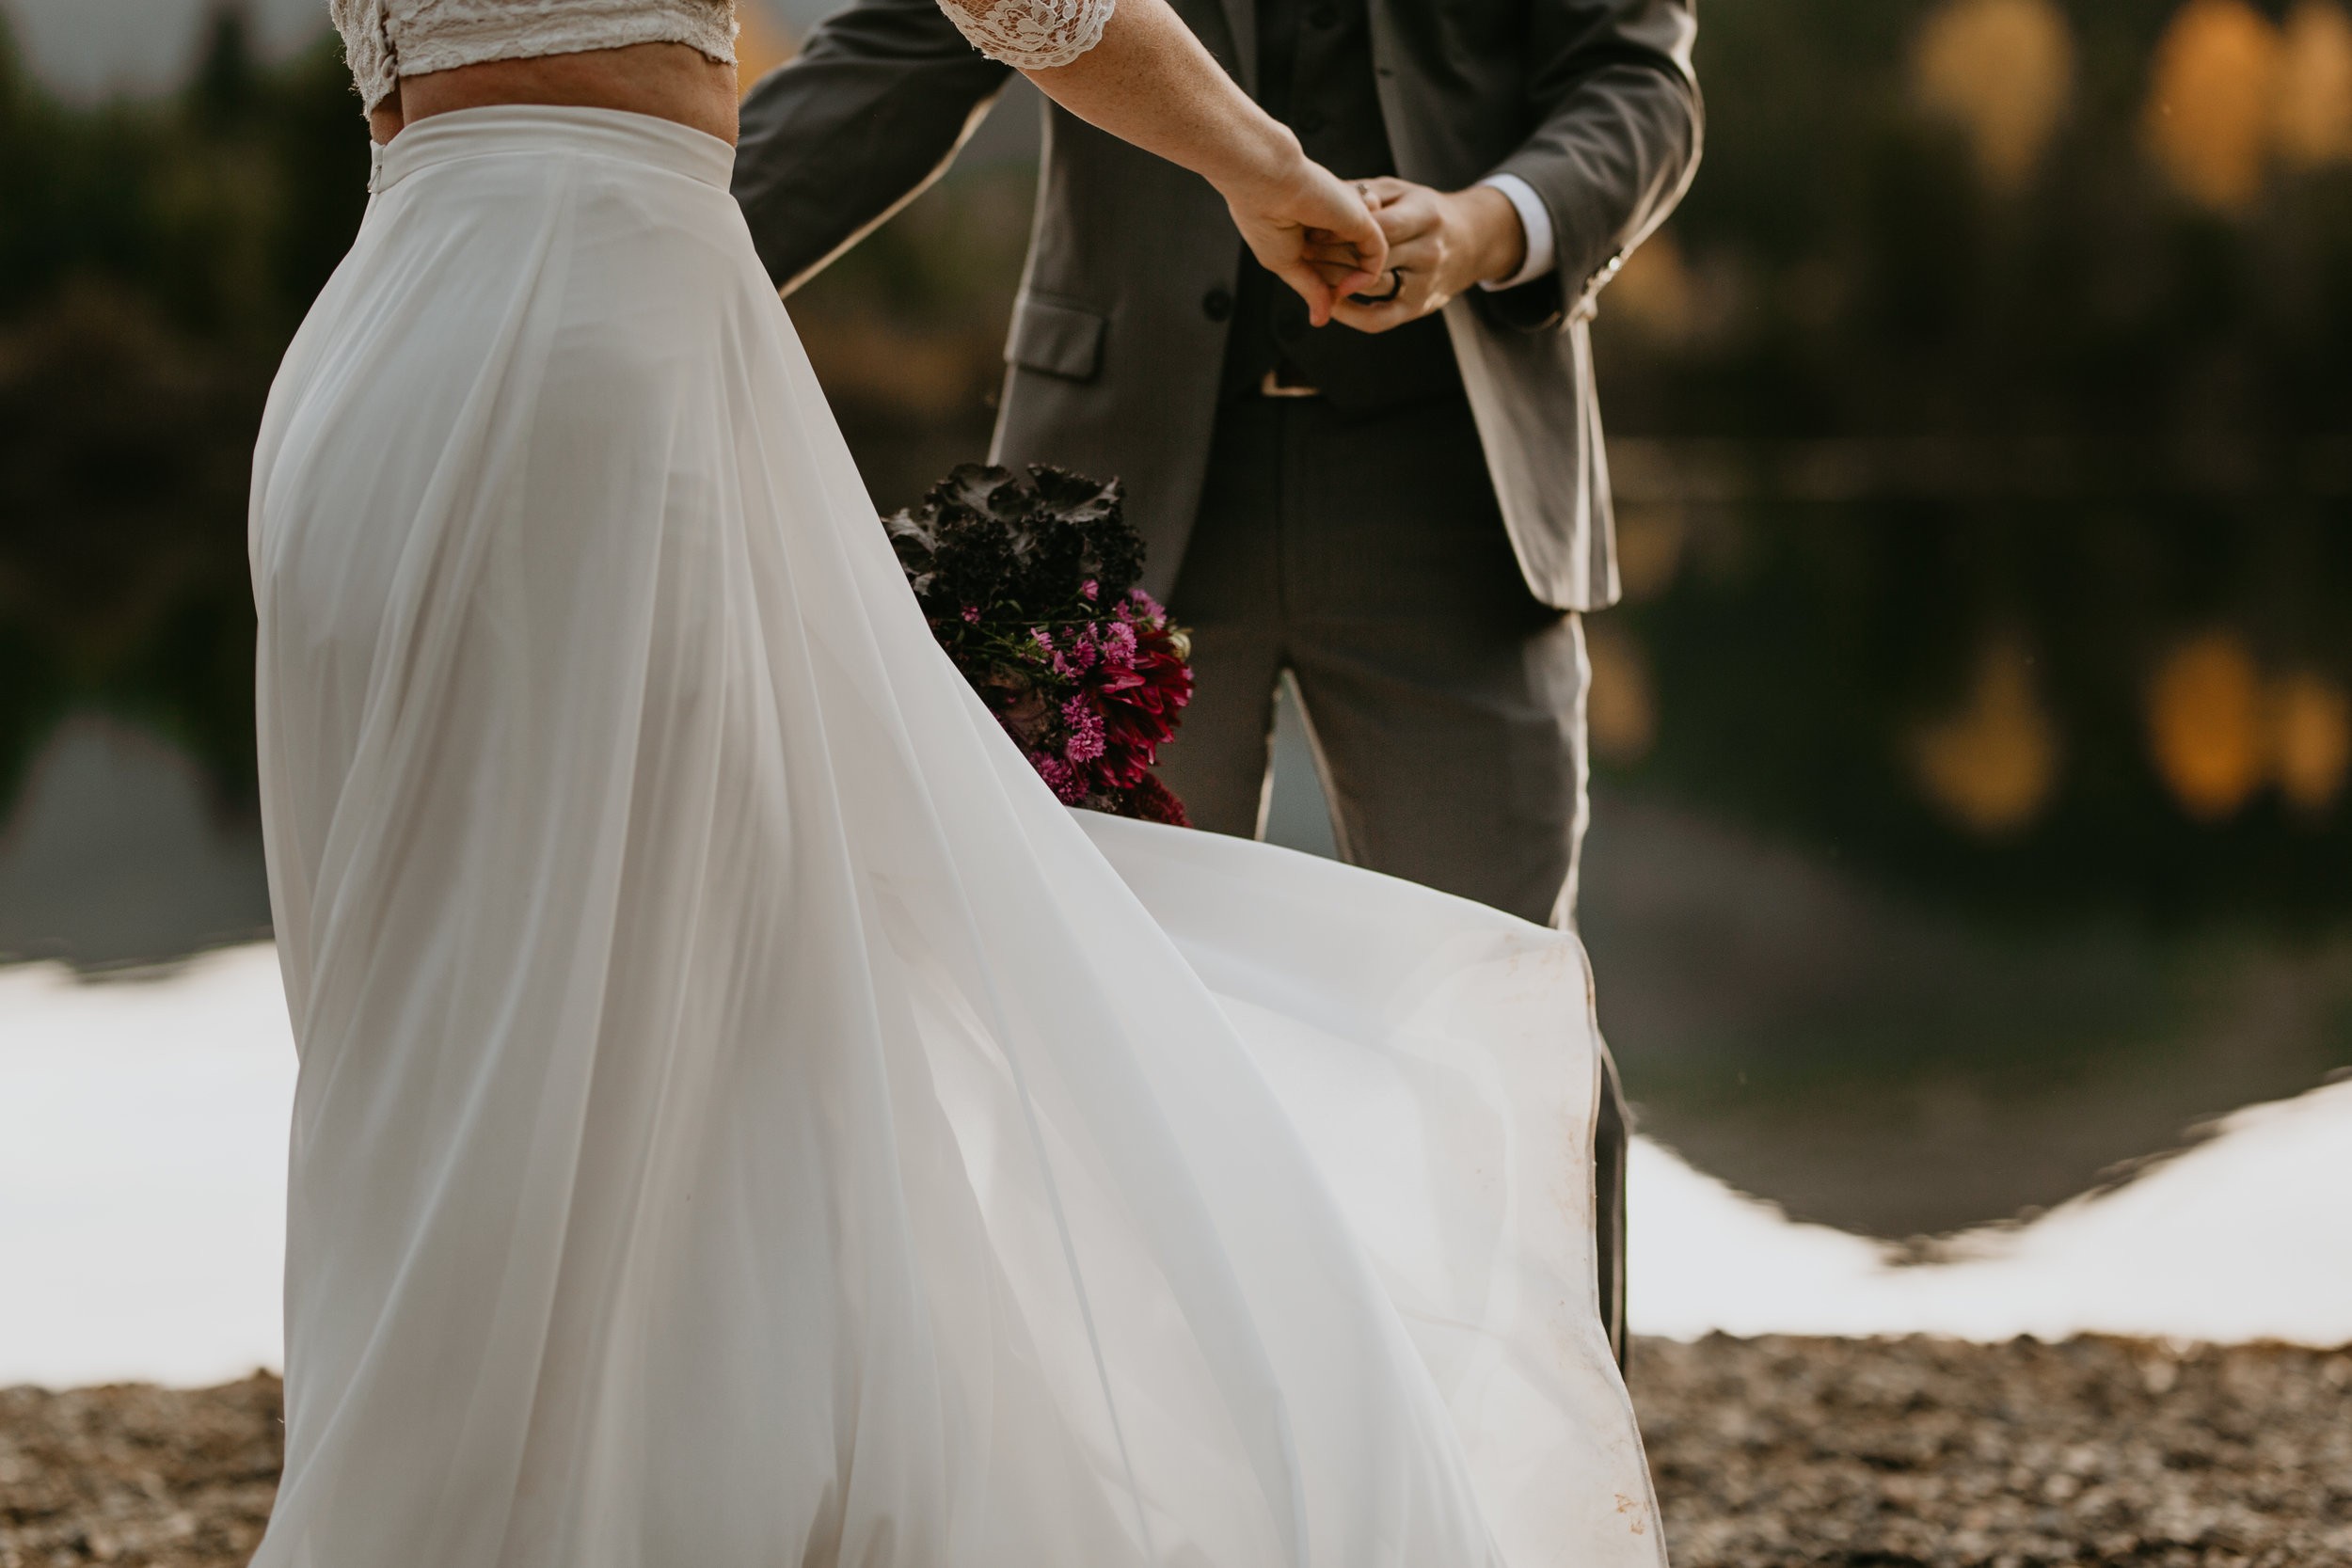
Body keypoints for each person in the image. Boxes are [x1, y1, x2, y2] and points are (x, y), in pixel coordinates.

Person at [246, 2, 1661, 1562]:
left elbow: (1633, 89)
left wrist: (1473, 226)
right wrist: (1265, 168)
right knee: (959, 1001)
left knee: (467, 998)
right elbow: (963, 26)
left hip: (400, 323)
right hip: (806, 397)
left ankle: (447, 1494)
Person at [731, 0, 1698, 1369]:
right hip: (1112, 493)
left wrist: (1486, 224)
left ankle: (1535, 1488)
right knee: (1096, 1035)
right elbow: (906, 46)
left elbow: (1636, 84)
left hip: (1458, 495)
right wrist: (646, 256)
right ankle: (1126, 1475)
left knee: (1507, 1028)